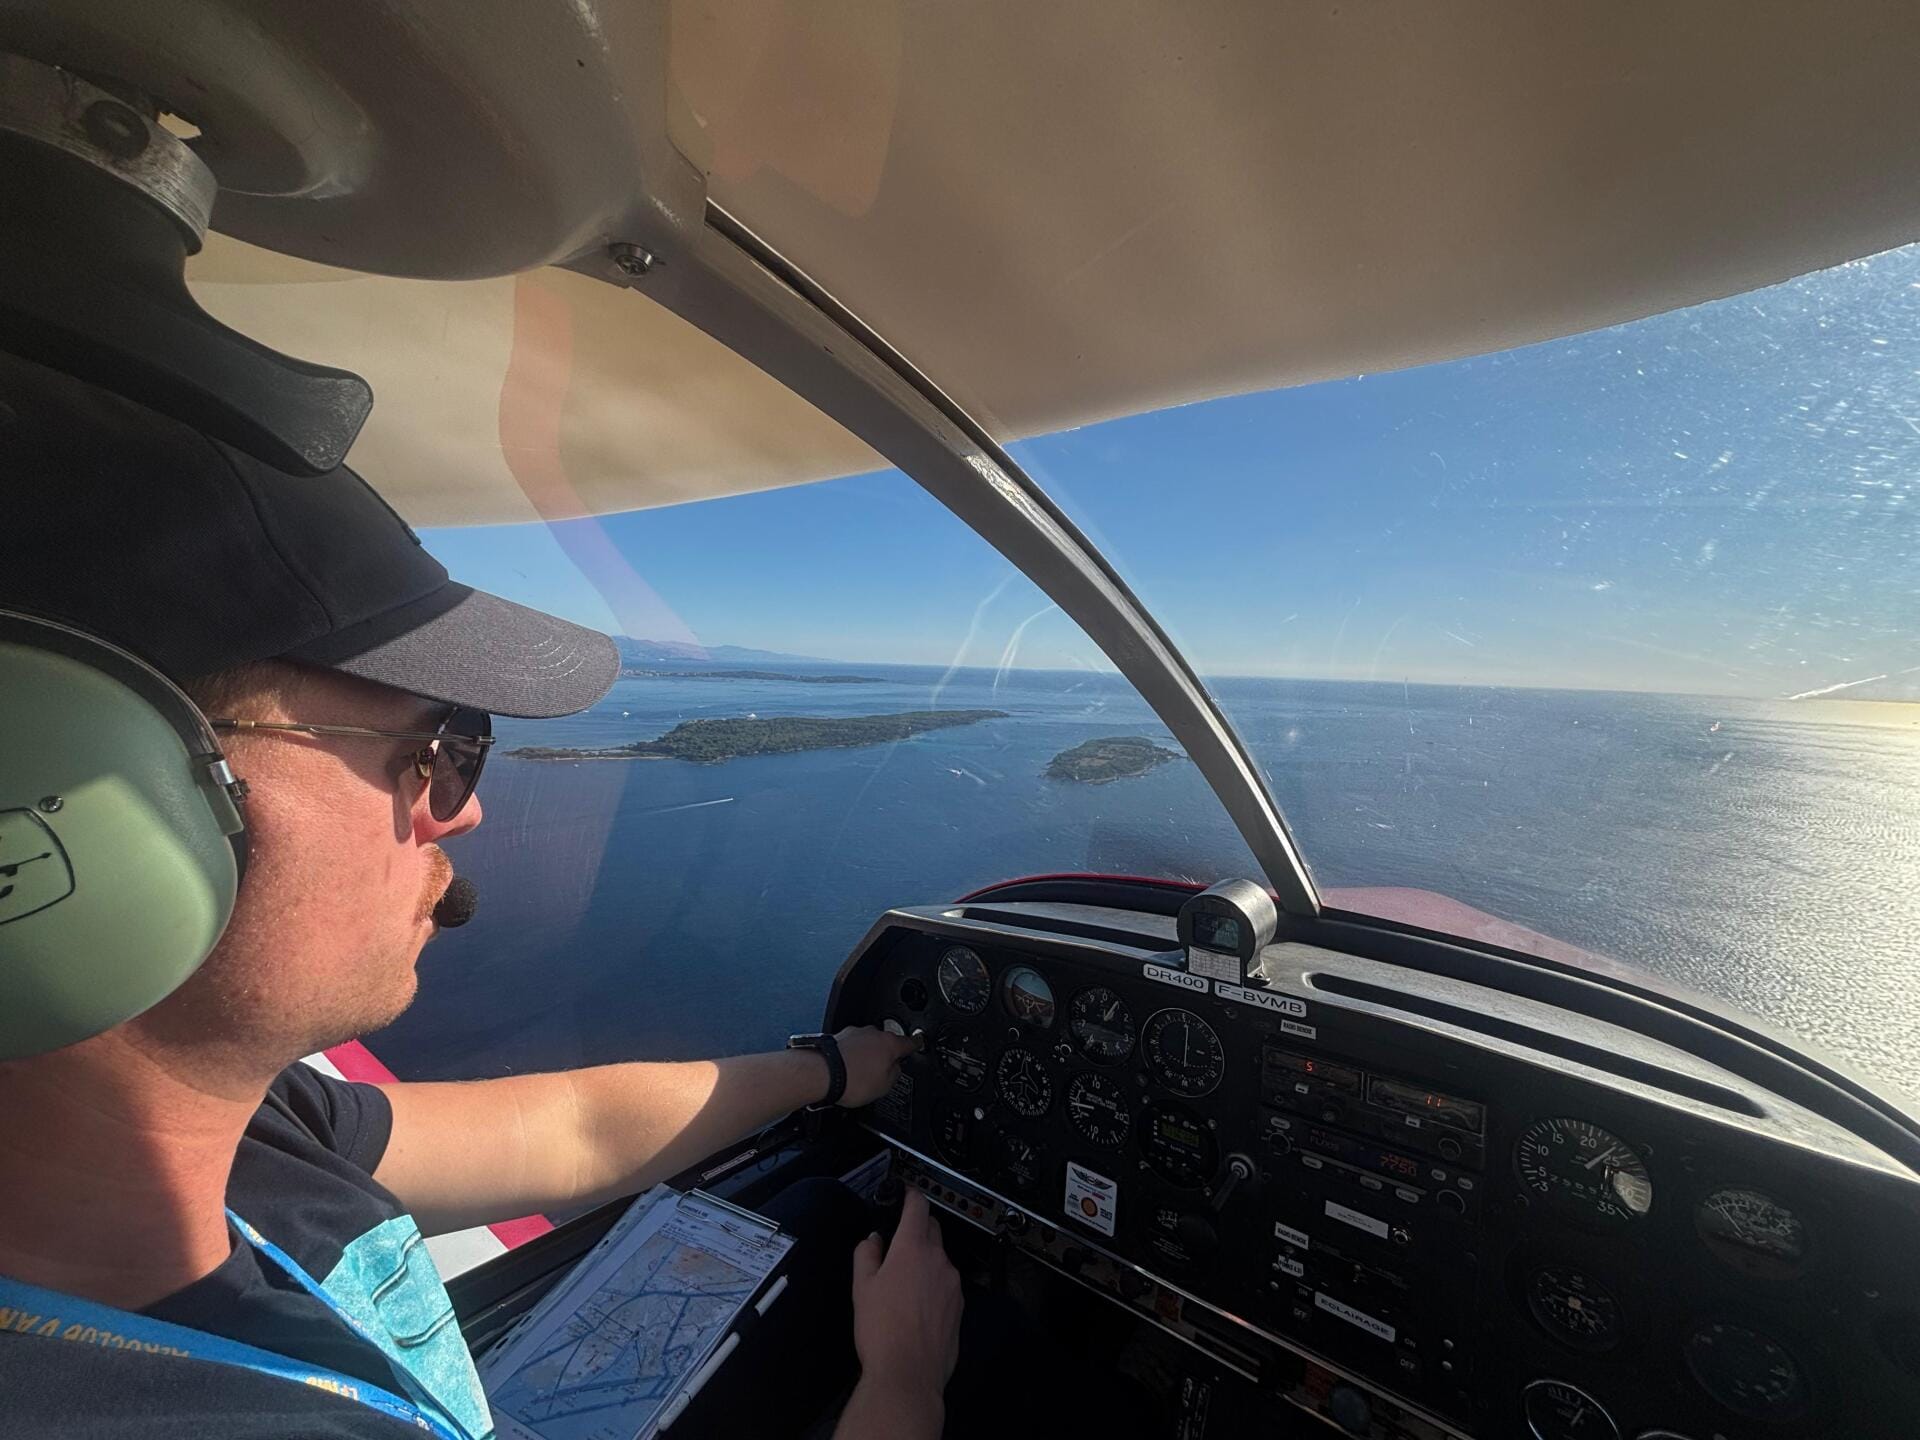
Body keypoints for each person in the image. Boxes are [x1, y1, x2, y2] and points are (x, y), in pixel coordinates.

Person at [0, 350, 963, 1438]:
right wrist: (902, 1383)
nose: (465, 812)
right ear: (63, 786)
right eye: (436, 748)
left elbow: (575, 1127)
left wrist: (836, 1068)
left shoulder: (249, 1129)